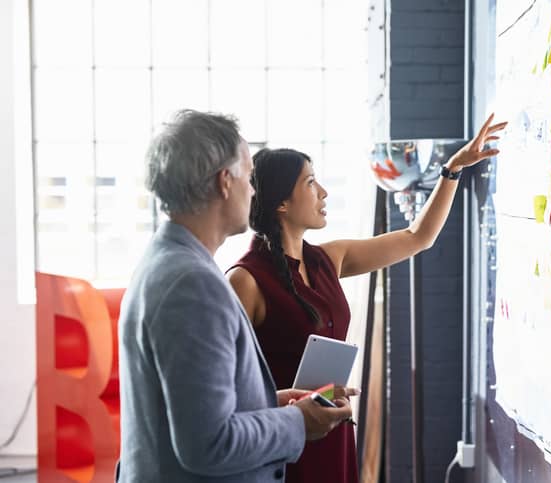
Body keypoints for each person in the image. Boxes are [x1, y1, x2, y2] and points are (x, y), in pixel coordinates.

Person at [226, 113, 507, 483]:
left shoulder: (328, 258)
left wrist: (452, 169)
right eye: (311, 183)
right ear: (281, 204)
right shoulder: (245, 281)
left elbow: (417, 237)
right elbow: (226, 390)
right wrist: (285, 405)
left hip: (334, 428)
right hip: (286, 437)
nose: (323, 192)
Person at [117, 109, 352, 483]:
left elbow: (192, 413)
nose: (254, 190)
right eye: (248, 176)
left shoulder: (171, 260)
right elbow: (207, 444)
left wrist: (270, 405)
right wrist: (297, 421)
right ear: (225, 182)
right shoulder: (191, 286)